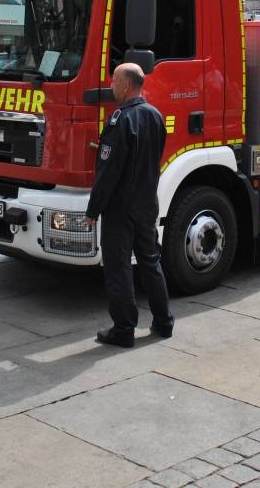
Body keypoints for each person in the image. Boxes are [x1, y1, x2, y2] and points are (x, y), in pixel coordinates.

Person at [85, 62, 173, 348]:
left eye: (114, 81)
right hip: (147, 202)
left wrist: (93, 209)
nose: (111, 86)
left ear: (126, 85)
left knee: (119, 266)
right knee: (150, 261)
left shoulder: (120, 120)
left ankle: (123, 330)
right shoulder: (155, 115)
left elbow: (109, 171)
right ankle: (164, 322)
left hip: (121, 207)